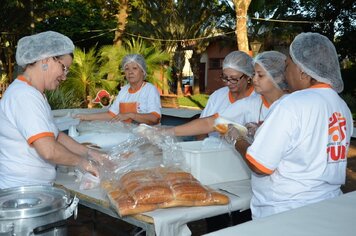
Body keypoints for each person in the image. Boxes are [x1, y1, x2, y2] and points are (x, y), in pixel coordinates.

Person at [227, 32, 353, 219]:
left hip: (286, 212)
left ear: (302, 70)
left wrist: (237, 139)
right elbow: (310, 146)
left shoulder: (292, 103)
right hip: (325, 206)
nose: (285, 73)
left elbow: (260, 165)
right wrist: (262, 131)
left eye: (288, 66)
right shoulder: (341, 106)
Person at [0, 31, 104, 189]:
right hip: (22, 191)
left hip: (32, 188)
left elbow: (55, 135)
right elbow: (48, 150)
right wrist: (81, 162)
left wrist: (89, 153)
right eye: (64, 68)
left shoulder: (35, 94)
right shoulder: (24, 96)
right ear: (46, 59)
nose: (64, 76)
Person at [171, 50, 288, 139]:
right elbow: (210, 123)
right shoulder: (249, 103)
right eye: (225, 78)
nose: (255, 79)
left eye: (260, 75)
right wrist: (168, 131)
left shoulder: (291, 105)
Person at [75, 54, 161, 125]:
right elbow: (111, 115)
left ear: (143, 71)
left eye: (135, 68)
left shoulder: (150, 89)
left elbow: (155, 118)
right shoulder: (124, 90)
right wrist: (85, 117)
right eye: (127, 69)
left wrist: (131, 115)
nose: (130, 72)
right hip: (127, 134)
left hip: (147, 136)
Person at [198, 51, 255, 139]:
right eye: (225, 77)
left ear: (248, 76)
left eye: (234, 79)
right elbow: (201, 128)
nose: (228, 83)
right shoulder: (217, 96)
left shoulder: (257, 99)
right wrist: (205, 147)